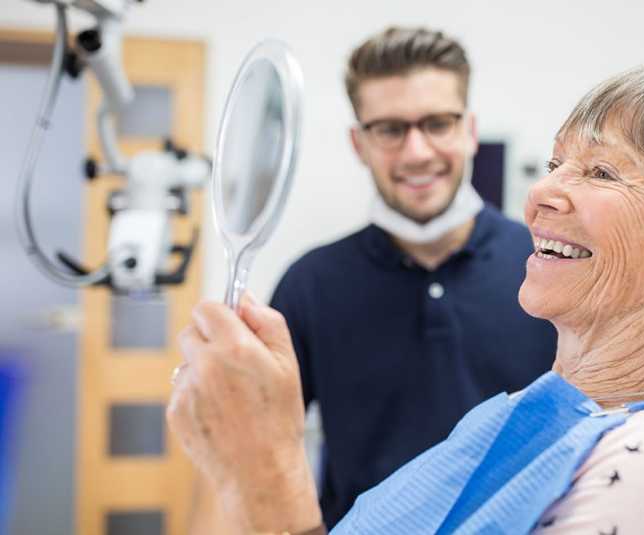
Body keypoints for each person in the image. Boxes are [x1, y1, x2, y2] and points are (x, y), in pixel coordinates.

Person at [168, 62, 644, 534]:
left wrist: (268, 490)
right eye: (554, 164)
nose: (540, 195)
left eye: (600, 170)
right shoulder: (533, 418)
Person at [189, 26, 558, 532]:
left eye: (437, 123)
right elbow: (251, 444)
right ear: (359, 144)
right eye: (389, 129)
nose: (416, 152)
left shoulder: (546, 266)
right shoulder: (311, 284)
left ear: (469, 130)